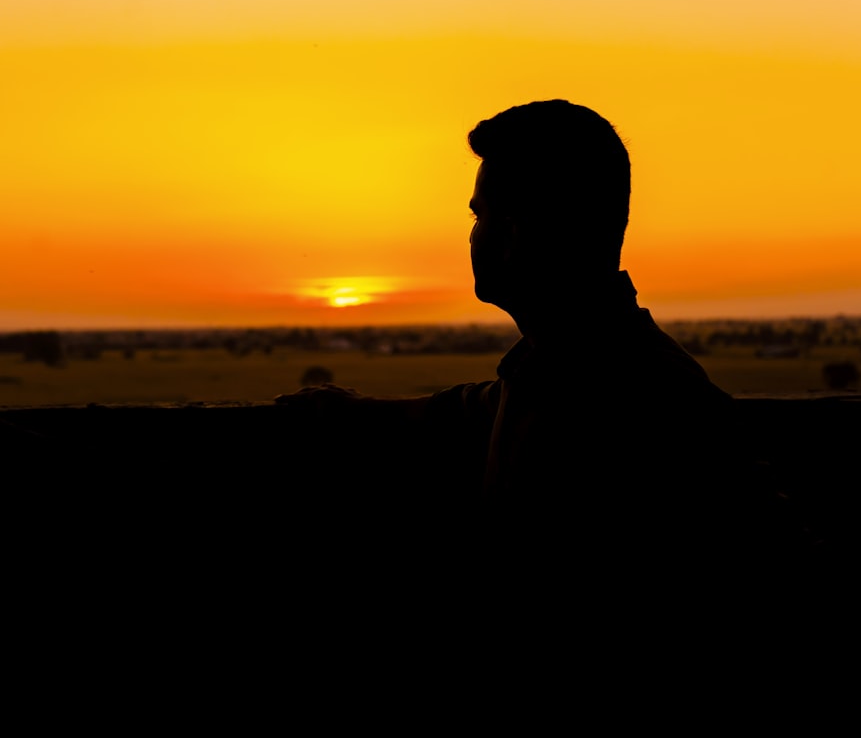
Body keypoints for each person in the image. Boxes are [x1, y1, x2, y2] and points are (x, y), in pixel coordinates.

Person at [277, 100, 783, 588]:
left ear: (512, 234)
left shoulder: (634, 395)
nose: (473, 237)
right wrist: (352, 411)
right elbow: (469, 409)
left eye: (479, 217)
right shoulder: (568, 368)